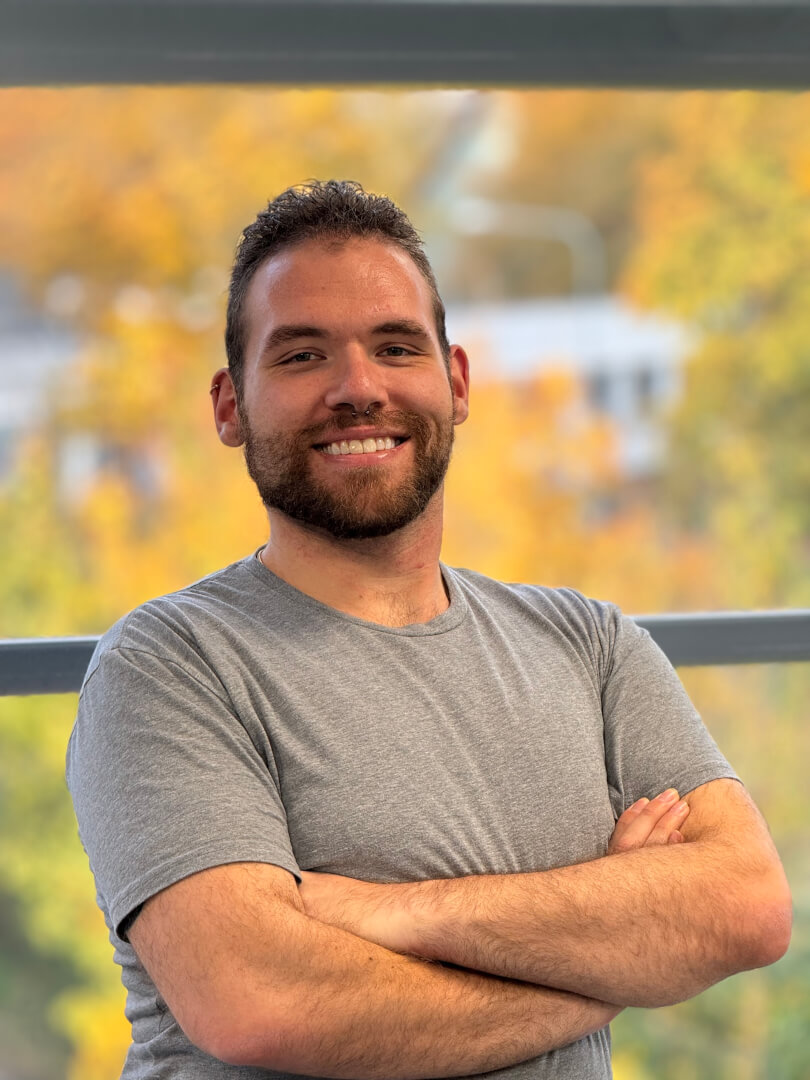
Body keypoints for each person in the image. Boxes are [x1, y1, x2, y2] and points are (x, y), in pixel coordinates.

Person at [66, 179, 791, 1080]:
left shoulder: (589, 645)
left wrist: (387, 915)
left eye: (395, 346)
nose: (357, 388)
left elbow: (748, 908)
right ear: (229, 405)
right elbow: (263, 1001)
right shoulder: (169, 668)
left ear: (454, 383)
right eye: (300, 357)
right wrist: (615, 956)